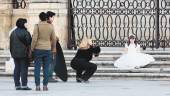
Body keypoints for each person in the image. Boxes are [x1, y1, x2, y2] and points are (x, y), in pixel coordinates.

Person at [31, 12, 56, 91]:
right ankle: (45, 86)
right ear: (46, 18)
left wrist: (32, 48)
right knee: (46, 68)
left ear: (39, 18)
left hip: (38, 49)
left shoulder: (37, 26)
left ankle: (37, 86)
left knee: (37, 68)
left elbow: (34, 39)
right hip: (47, 49)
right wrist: (54, 48)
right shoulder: (51, 26)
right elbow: (54, 38)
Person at [10, 18, 32, 90]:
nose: (27, 24)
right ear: (23, 24)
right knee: (24, 69)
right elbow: (29, 42)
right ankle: (24, 85)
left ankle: (17, 85)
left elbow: (11, 44)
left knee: (17, 68)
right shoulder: (26, 32)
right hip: (23, 53)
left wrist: (12, 53)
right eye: (26, 23)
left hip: (15, 54)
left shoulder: (13, 32)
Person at [46, 11, 59, 82]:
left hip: (44, 47)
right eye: (53, 17)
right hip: (50, 47)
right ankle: (49, 77)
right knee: (52, 62)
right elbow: (52, 37)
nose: (53, 19)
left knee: (47, 62)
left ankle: (47, 76)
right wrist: (57, 38)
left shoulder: (42, 24)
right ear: (50, 17)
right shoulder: (50, 25)